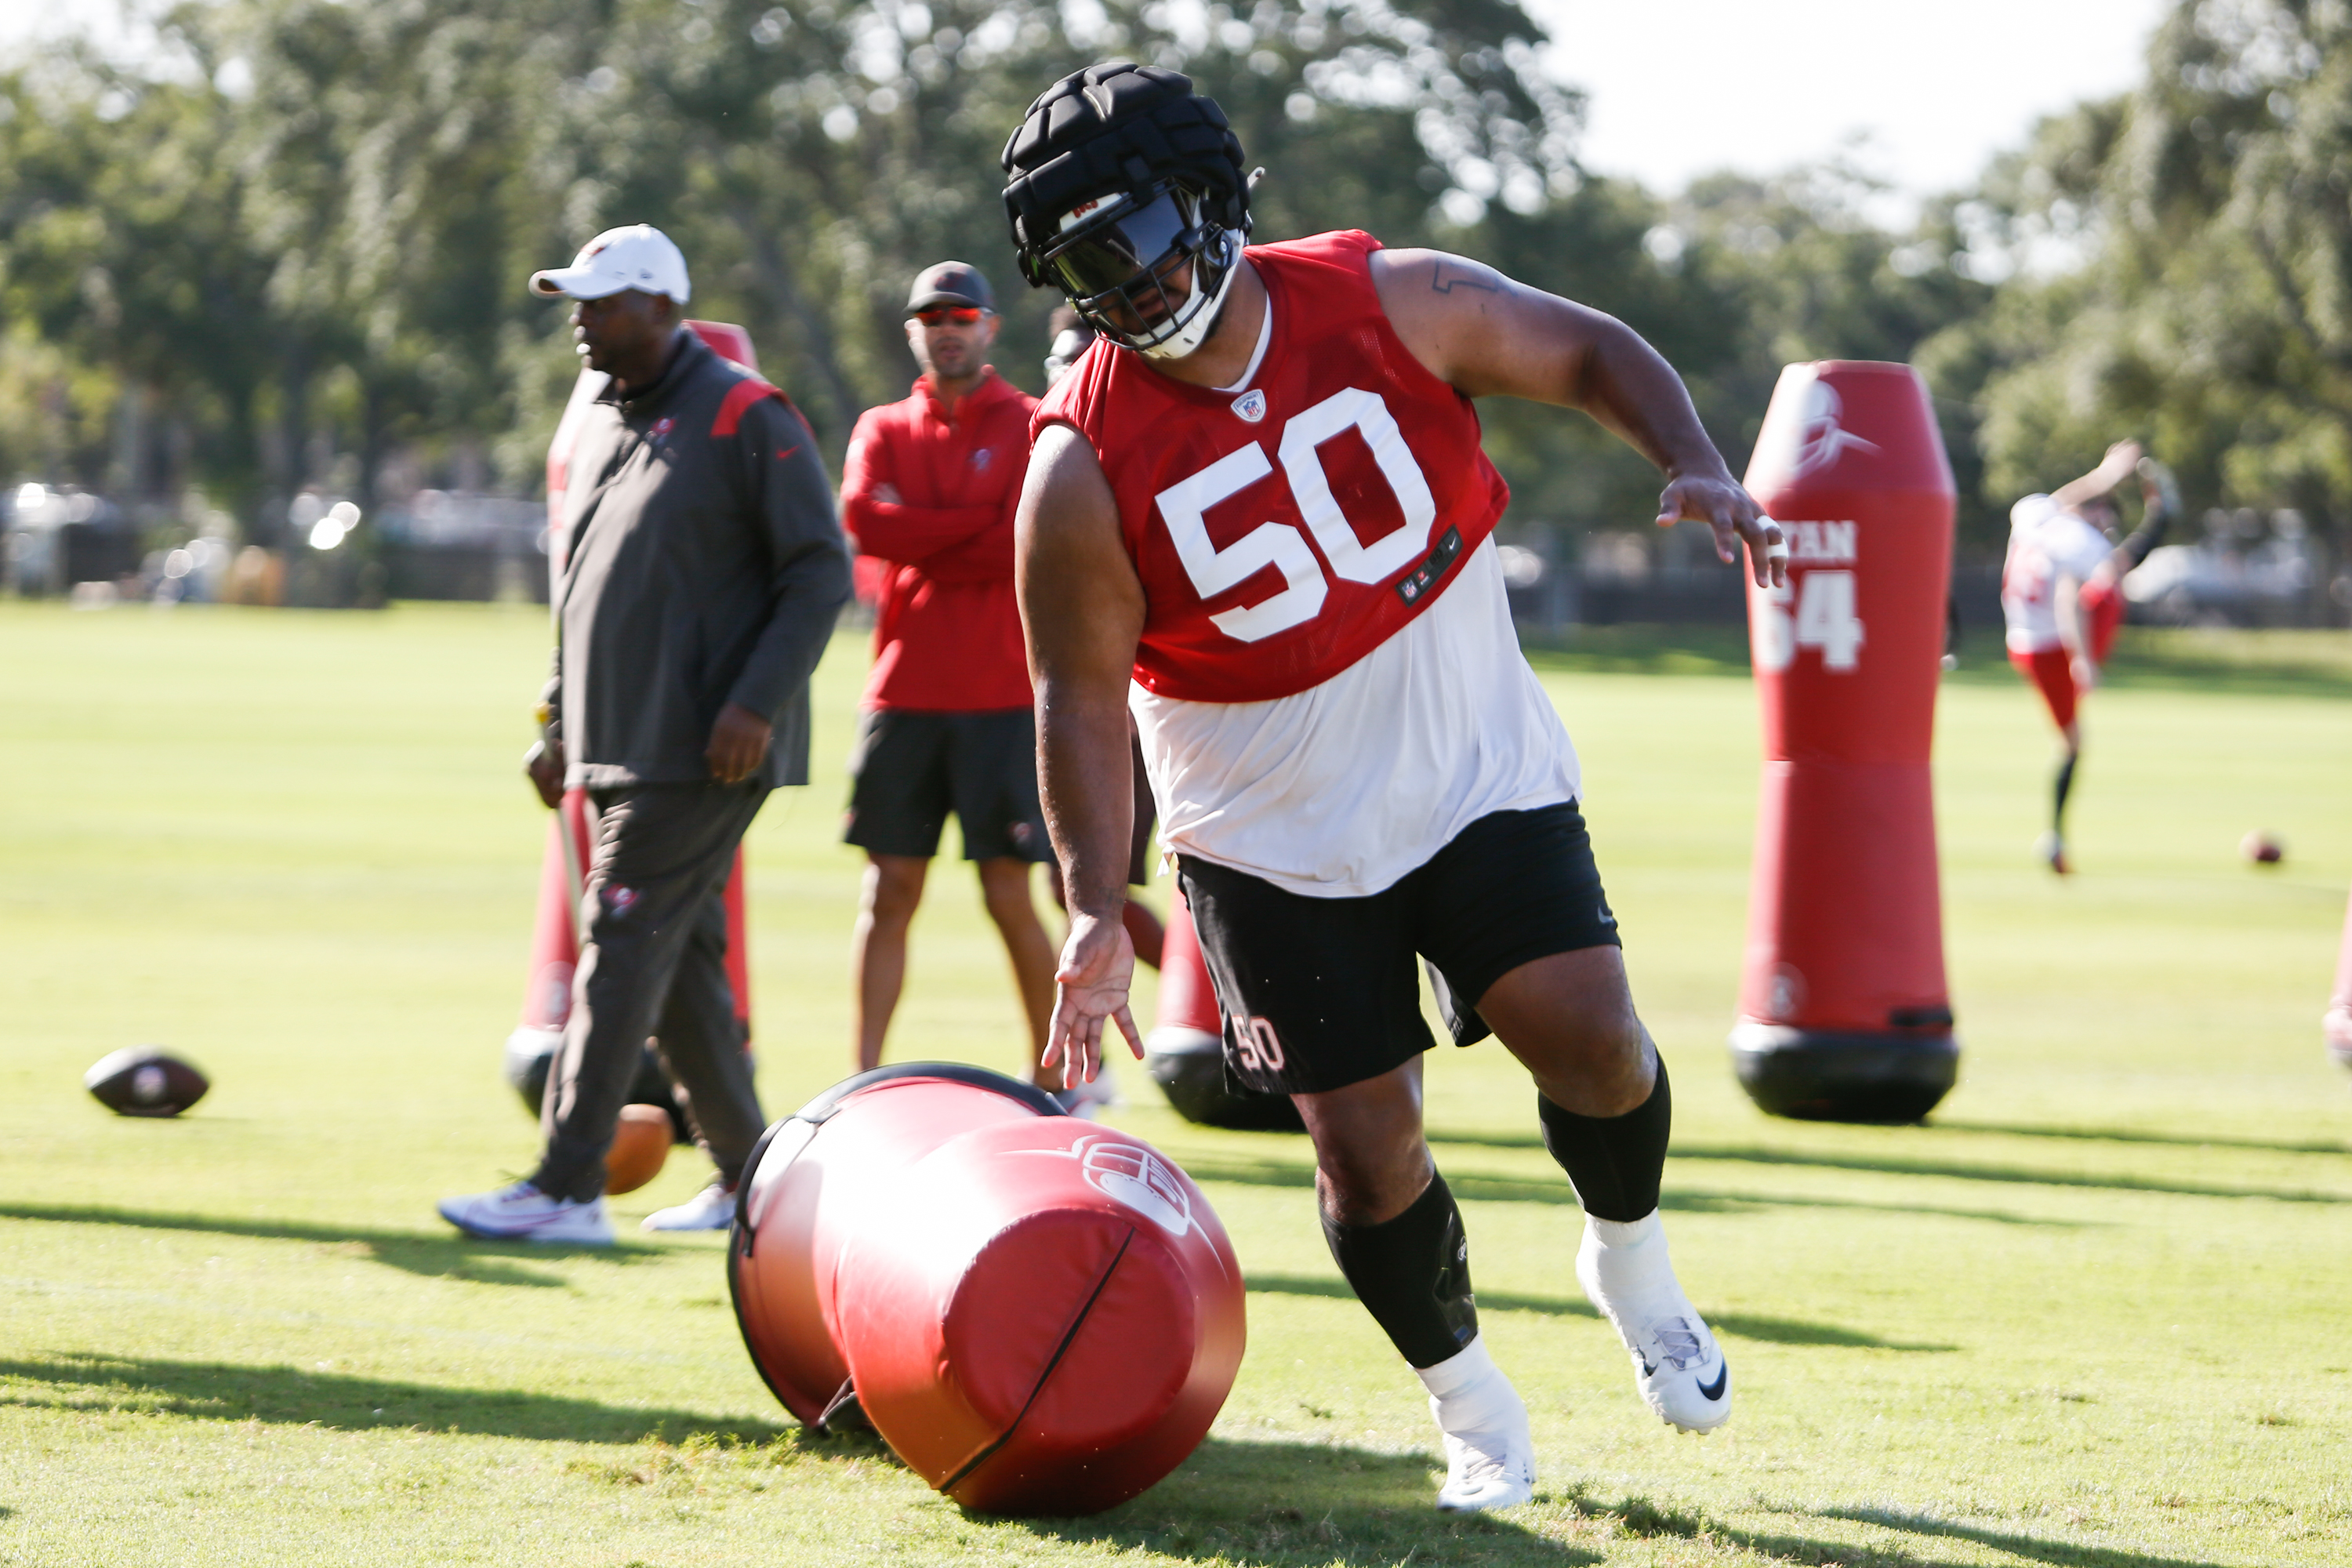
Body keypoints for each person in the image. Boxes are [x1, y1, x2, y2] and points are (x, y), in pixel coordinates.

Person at [1002, 64, 1784, 1512]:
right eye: (1084, 265)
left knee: (1600, 1047)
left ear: (1214, 201)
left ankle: (1632, 1265)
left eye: (1139, 235)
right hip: (1267, 828)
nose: (1126, 283)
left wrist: (1695, 459)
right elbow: (1077, 702)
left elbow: (1590, 347)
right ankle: (1474, 1408)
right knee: (1369, 1158)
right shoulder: (1077, 466)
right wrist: (1095, 904)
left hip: (1467, 754)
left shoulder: (1387, 297)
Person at [440, 224, 851, 1243]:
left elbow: (819, 571)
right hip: (618, 740)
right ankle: (754, 1183)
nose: (580, 320)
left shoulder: (748, 412)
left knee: (622, 941)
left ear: (663, 307)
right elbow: (586, 591)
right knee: (681, 971)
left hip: (703, 747)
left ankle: (566, 1185)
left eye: (601, 301)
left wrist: (753, 703)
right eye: (575, 302)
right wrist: (554, 723)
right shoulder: (609, 418)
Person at [839, 263, 1073, 1095]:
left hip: (1004, 694)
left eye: (962, 313)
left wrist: (929, 531)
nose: (947, 328)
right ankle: (862, 1075)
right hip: (903, 692)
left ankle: (1054, 1071)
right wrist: (973, 524)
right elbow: (864, 521)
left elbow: (1018, 537)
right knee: (888, 886)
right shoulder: (882, 426)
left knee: (1010, 889)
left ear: (990, 325)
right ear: (913, 332)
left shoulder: (1029, 421)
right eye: (931, 316)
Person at [2001, 440, 2175, 874]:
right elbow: (2069, 601)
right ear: (2096, 514)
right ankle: (2054, 837)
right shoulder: (2083, 544)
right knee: (2110, 584)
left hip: (2021, 639)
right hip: (2051, 646)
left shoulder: (2036, 514)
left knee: (2112, 574)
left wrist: (2105, 474)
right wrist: (2084, 660)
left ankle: (2160, 520)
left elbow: (2062, 499)